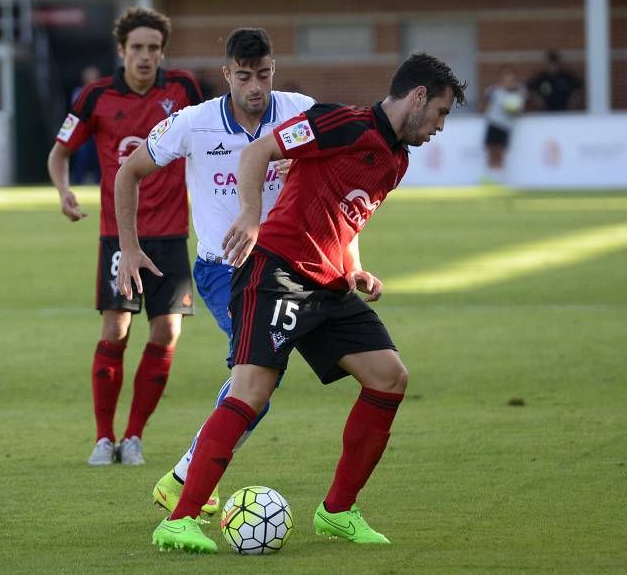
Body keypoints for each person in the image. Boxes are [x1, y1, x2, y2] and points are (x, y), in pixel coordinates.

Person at [147, 52, 466, 553]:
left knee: (389, 377)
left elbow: (343, 218)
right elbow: (259, 153)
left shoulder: (396, 159)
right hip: (275, 273)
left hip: (329, 286)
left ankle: (337, 512)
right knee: (251, 390)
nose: (441, 126)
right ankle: (181, 518)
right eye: (442, 112)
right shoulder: (342, 122)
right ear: (419, 97)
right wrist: (252, 216)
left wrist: (354, 267)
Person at [114, 28, 315, 515]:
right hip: (225, 270)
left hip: (289, 269)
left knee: (259, 384)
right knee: (257, 377)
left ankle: (187, 477)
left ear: (274, 71)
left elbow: (338, 176)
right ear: (226, 74)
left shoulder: (301, 112)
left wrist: (307, 170)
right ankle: (186, 478)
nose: (255, 87)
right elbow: (128, 173)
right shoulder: (193, 123)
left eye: (263, 75)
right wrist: (130, 247)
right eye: (243, 76)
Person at [47, 7, 203, 467]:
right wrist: (63, 192)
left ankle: (133, 437)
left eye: (154, 48)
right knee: (116, 327)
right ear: (121, 50)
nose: (145, 56)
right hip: (119, 235)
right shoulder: (95, 96)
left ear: (162, 52)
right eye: (136, 47)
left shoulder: (184, 89)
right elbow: (59, 153)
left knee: (167, 330)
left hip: (171, 234)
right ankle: (102, 437)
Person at [480, 65, 526, 181]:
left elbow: (519, 111)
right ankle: (489, 178)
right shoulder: (495, 90)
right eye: (505, 76)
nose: (508, 79)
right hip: (493, 123)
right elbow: (484, 101)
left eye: (510, 77)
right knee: (491, 151)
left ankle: (500, 179)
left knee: (500, 152)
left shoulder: (518, 92)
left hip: (505, 126)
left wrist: (512, 110)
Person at [70, 66, 103, 185]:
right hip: (83, 131)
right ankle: (78, 181)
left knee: (99, 156)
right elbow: (76, 112)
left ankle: (101, 181)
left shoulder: (102, 93)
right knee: (81, 156)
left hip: (97, 131)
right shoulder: (78, 92)